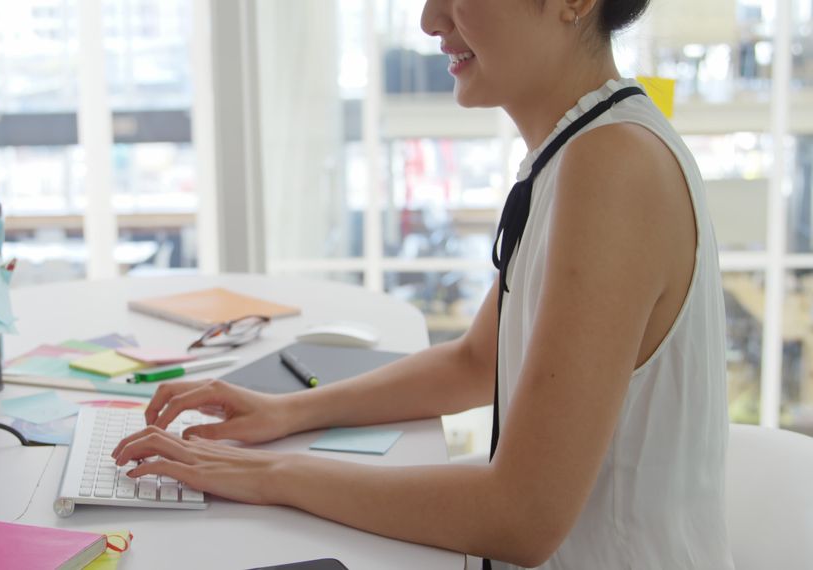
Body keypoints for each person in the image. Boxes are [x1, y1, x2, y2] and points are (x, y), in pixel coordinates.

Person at [112, 0, 733, 567]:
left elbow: (523, 516)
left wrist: (266, 474)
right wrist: (284, 413)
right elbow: (473, 362)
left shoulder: (613, 166)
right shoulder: (577, 149)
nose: (431, 19)